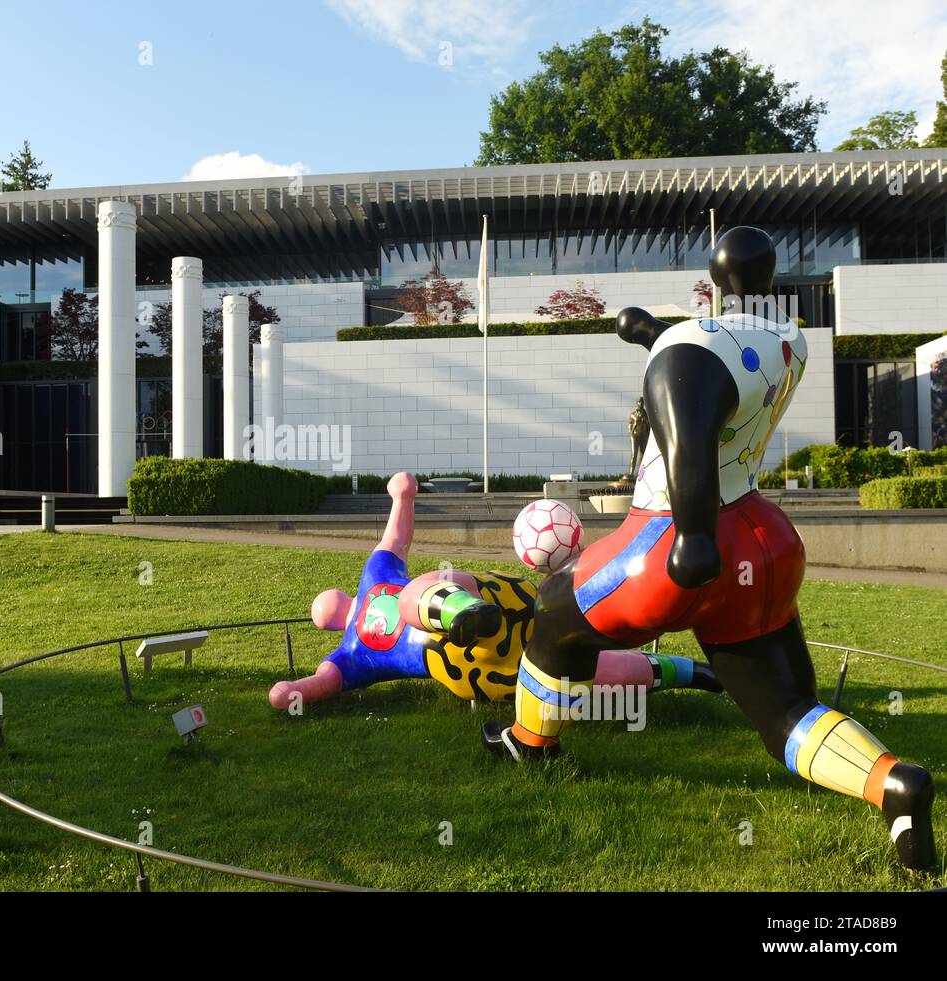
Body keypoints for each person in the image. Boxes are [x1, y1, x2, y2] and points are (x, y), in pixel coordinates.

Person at [482, 226, 936, 871]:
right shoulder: (788, 339)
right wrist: (651, 335)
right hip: (762, 534)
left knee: (552, 617)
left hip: (673, 540)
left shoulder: (685, 355)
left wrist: (693, 540)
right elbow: (716, 358)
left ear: (714, 276)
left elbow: (688, 430)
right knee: (785, 710)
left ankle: (530, 742)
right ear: (767, 277)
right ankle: (894, 784)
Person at [268, 470, 719, 709]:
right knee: (430, 590)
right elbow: (395, 538)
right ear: (338, 607)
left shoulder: (355, 636)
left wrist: (294, 691)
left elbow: (322, 682)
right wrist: (401, 496)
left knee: (571, 671)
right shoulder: (353, 643)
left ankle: (691, 673)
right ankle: (458, 608)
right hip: (488, 622)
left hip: (468, 668)